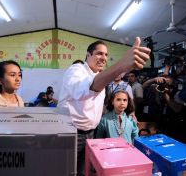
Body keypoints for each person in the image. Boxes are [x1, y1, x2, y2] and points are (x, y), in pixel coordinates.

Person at [57, 37, 150, 176]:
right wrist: (121, 65)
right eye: (99, 53)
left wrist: (128, 112)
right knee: (68, 171)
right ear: (88, 55)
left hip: (90, 133)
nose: (104, 58)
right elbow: (83, 91)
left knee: (83, 171)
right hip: (72, 134)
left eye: (106, 55)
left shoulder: (99, 76)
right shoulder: (76, 70)